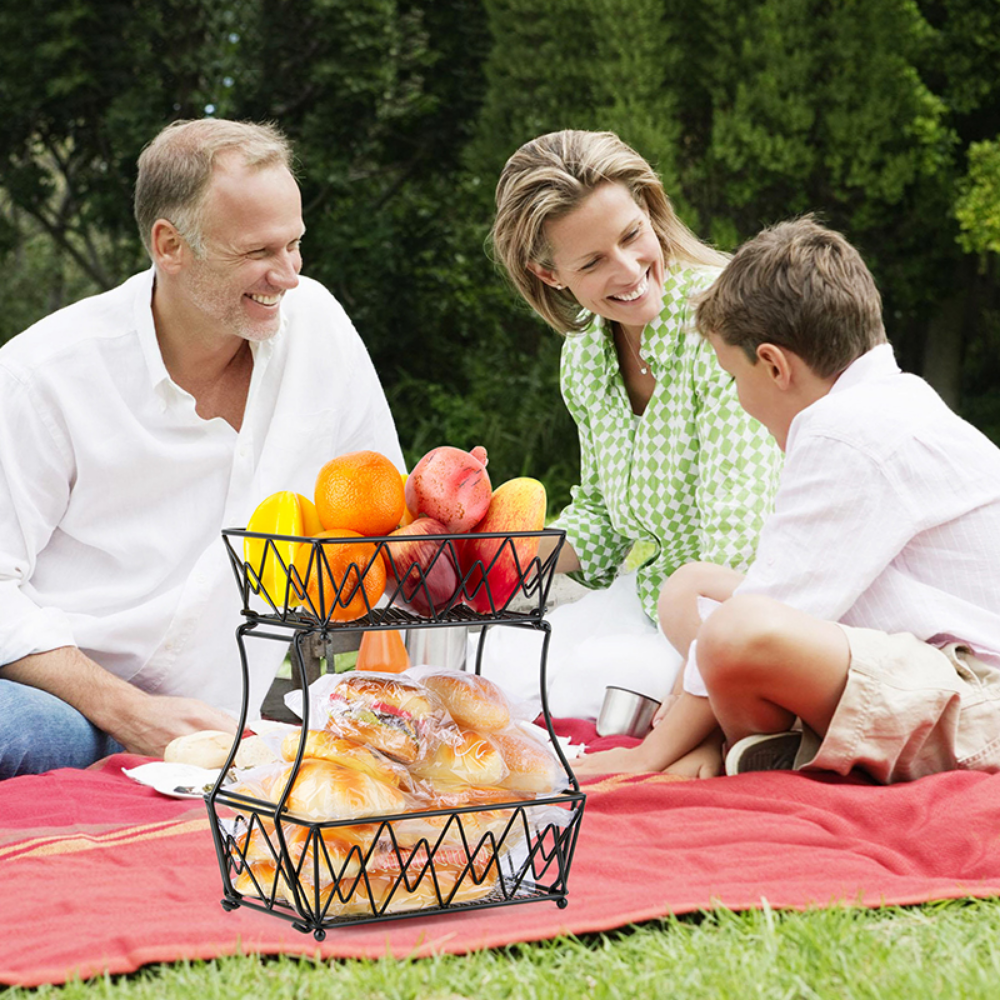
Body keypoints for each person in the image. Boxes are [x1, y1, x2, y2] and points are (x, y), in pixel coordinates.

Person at [0, 119, 404, 779]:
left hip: (222, 732)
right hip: (63, 702)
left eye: (295, 244)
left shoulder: (320, 330)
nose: (289, 275)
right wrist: (127, 713)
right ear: (170, 246)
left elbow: (383, 530)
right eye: (258, 252)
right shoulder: (43, 375)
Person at [575, 215, 1000, 782]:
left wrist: (647, 755)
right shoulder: (885, 401)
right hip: (922, 663)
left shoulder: (845, 432)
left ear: (774, 365)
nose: (737, 397)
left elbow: (763, 614)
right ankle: (750, 744)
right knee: (691, 585)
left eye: (733, 377)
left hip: (975, 699)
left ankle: (752, 753)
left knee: (735, 631)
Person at [475, 130, 782, 721]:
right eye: (592, 262)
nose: (629, 269)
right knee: (494, 668)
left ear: (648, 208)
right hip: (641, 598)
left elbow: (738, 538)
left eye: (631, 235)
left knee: (592, 694)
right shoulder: (587, 354)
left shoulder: (723, 322)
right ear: (550, 275)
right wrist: (489, 555)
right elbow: (602, 517)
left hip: (739, 609)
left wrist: (696, 688)